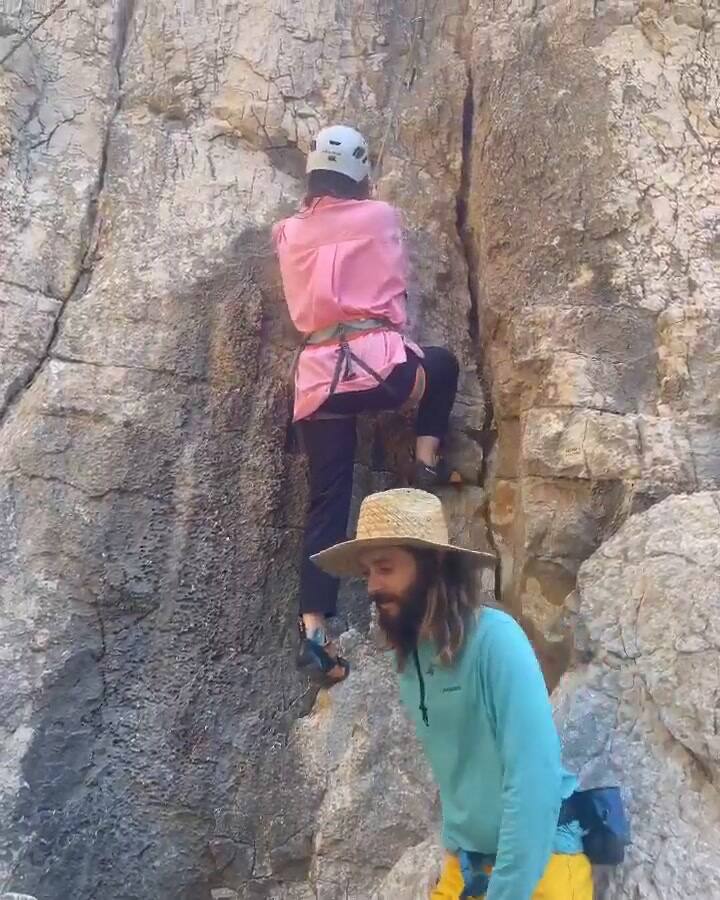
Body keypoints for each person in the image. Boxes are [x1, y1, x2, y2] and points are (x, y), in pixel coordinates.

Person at [311, 488, 594, 900]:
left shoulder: (496, 641)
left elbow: (534, 780)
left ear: (433, 565)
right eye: (368, 572)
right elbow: (460, 774)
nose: (372, 586)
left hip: (542, 865)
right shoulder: (409, 660)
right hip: (468, 863)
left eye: (385, 568)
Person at [272, 125, 460, 688]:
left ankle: (313, 630)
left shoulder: (286, 233)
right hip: (381, 371)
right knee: (443, 365)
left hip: (317, 383)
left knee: (326, 503)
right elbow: (394, 284)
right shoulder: (380, 217)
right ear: (359, 172)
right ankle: (424, 470)